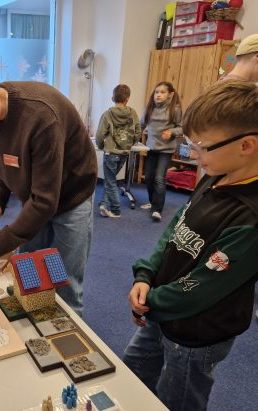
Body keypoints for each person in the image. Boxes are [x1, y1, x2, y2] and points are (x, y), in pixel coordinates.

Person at [122, 80, 258, 411]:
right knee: (132, 373)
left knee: (178, 399)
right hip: (162, 311)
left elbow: (202, 288)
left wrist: (150, 301)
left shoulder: (250, 216)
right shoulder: (215, 176)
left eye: (202, 146)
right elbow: (175, 230)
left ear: (246, 145)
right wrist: (146, 274)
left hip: (197, 334)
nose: (193, 154)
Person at [0, 65, 97, 316]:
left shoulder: (41, 116)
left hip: (71, 194)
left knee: (65, 283)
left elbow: (45, 202)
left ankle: (69, 333)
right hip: (36, 196)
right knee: (27, 271)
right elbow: (6, 164)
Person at [95, 84, 141, 218]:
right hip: (124, 153)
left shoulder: (107, 114)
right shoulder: (133, 113)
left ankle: (115, 210)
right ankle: (104, 204)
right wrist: (130, 144)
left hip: (111, 153)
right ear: (127, 99)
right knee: (111, 180)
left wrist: (101, 146)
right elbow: (138, 132)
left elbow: (99, 135)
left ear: (112, 98)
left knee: (110, 181)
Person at [140, 81, 182, 222]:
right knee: (149, 177)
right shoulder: (150, 108)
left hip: (166, 149)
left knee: (159, 178)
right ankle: (153, 202)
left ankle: (157, 209)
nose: (158, 95)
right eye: (157, 92)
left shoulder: (175, 110)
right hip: (151, 147)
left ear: (170, 94)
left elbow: (182, 127)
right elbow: (141, 124)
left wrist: (172, 132)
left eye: (162, 92)